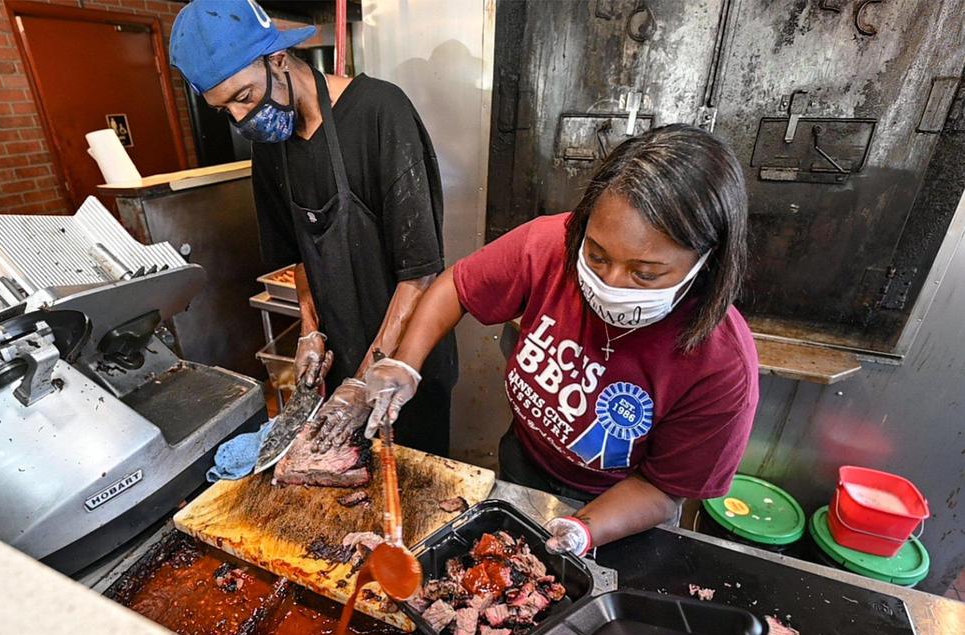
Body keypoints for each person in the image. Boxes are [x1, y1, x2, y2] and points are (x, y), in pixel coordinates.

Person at [362, 124, 759, 555]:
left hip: (621, 509)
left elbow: (662, 490)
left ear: (707, 260)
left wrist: (584, 529)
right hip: (523, 464)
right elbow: (456, 287)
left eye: (645, 274)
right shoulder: (551, 244)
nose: (610, 282)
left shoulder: (722, 366)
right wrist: (405, 362)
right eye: (597, 256)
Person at [170, 0, 458, 457]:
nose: (242, 119)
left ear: (278, 59)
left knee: (417, 483)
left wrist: (365, 381)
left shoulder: (380, 112)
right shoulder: (271, 145)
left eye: (244, 96)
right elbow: (299, 256)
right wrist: (311, 331)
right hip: (344, 357)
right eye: (225, 110)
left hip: (406, 364)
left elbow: (419, 274)